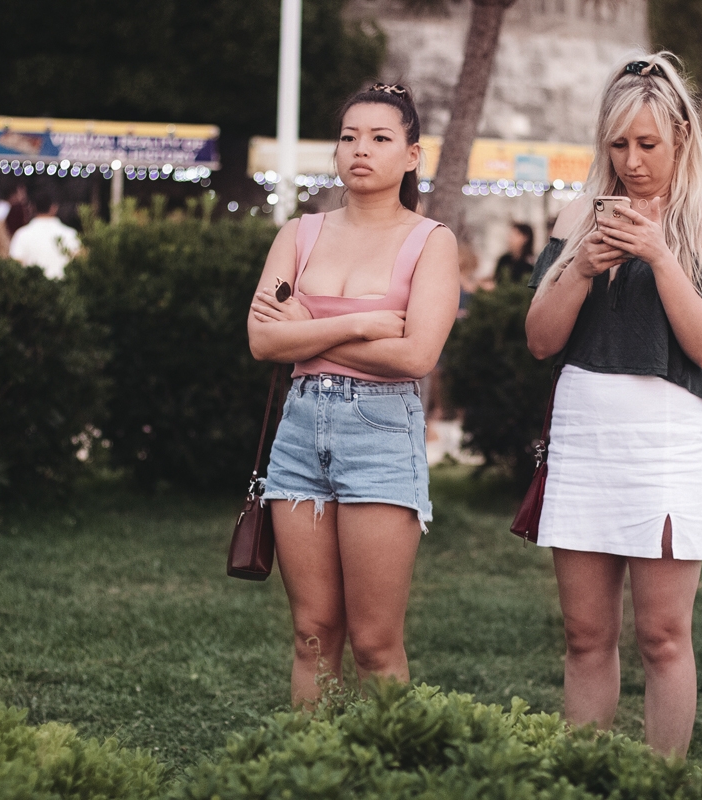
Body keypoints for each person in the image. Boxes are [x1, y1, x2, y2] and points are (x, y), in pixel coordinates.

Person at [523, 53, 702, 757]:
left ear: (681, 136)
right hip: (585, 433)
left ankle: (662, 783)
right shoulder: (576, 215)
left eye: (647, 144)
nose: (631, 162)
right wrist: (579, 266)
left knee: (663, 636)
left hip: (665, 439)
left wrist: (659, 254)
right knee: (584, 635)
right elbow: (540, 340)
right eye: (618, 144)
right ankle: (588, 777)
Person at [247, 84, 459, 708]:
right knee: (312, 634)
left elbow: (416, 357)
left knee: (374, 643)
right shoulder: (299, 233)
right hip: (298, 434)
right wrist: (363, 324)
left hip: (381, 431)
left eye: (380, 138)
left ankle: (385, 760)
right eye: (348, 137)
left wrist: (308, 332)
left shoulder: (431, 240)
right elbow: (263, 340)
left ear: (412, 155)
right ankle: (312, 760)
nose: (360, 149)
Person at [8, 185, 80, 279]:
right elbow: (79, 261)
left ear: (32, 208)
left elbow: (15, 264)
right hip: (64, 285)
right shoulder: (70, 234)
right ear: (54, 208)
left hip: (33, 285)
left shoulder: (22, 234)